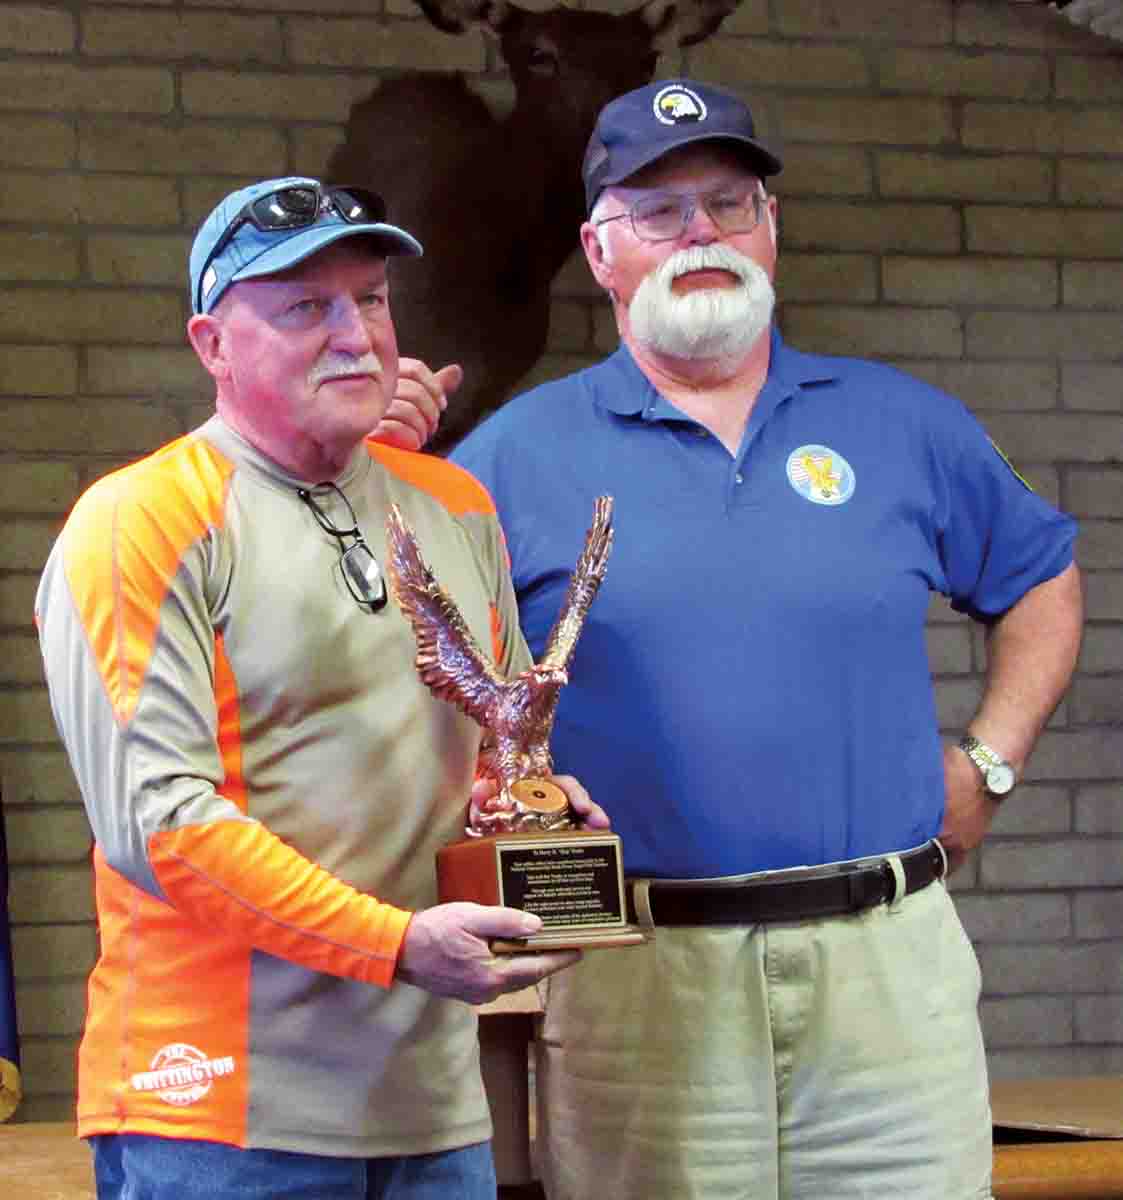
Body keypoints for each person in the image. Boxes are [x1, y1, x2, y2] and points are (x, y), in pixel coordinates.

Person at [434, 80, 1081, 1199]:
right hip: (642, 983)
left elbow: (1041, 579)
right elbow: (424, 673)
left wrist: (989, 759)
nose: (701, 236)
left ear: (770, 231)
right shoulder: (511, 456)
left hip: (887, 970)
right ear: (599, 250)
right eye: (659, 212)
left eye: (729, 204)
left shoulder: (900, 422)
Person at [34, 175, 607, 1200]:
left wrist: (535, 811)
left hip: (432, 1109)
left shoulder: (454, 504)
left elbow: (501, 745)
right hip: (218, 1119)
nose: (354, 335)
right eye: (304, 307)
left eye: (372, 300)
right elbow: (161, 826)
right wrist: (394, 945)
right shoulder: (143, 522)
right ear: (212, 344)